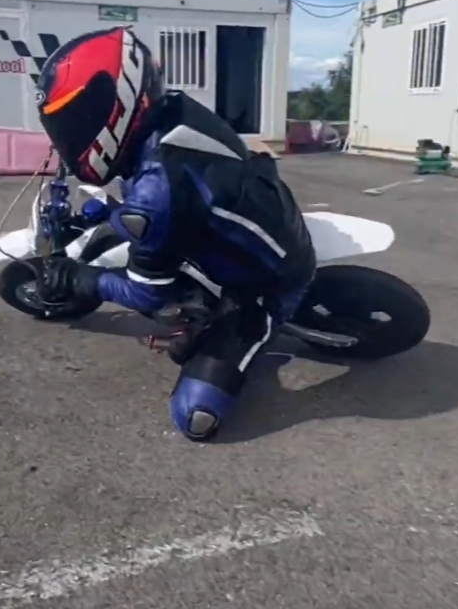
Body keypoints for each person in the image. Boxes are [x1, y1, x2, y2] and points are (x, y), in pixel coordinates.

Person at [36, 26, 316, 441]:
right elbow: (173, 198)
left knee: (195, 417)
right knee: (138, 229)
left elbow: (146, 295)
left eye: (75, 121)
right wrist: (117, 214)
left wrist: (80, 278)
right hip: (252, 215)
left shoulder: (157, 191)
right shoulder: (173, 112)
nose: (69, 136)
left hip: (264, 283)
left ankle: (255, 325)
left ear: (118, 103)